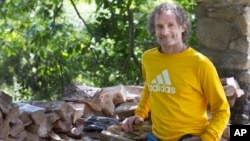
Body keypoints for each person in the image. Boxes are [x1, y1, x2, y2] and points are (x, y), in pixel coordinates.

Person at [122, 2, 230, 141]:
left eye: (170, 25)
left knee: (238, 132)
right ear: (153, 29)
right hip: (156, 136)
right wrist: (140, 114)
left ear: (182, 27)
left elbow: (222, 109)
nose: (165, 32)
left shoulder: (200, 63)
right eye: (159, 26)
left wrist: (206, 138)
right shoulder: (148, 59)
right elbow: (150, 87)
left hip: (191, 137)